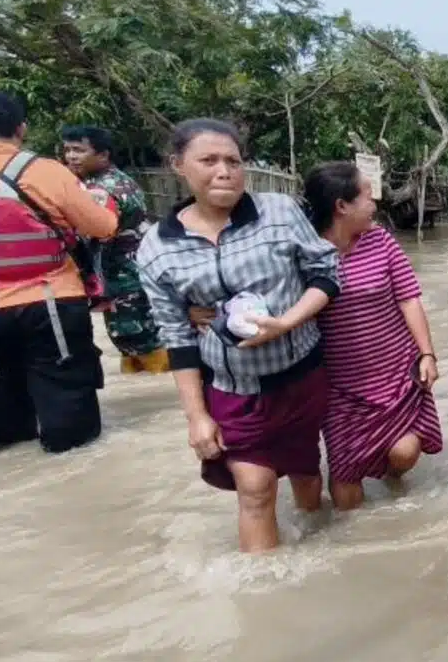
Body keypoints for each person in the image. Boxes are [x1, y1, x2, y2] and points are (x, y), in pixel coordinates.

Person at [136, 119, 341, 553]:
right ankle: (264, 598)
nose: (224, 171)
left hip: (301, 378)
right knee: (256, 487)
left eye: (233, 160)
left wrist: (287, 322)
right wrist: (196, 416)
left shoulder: (280, 213)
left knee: (306, 471)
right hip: (234, 389)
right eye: (208, 160)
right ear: (179, 166)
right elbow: (176, 336)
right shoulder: (158, 247)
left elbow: (325, 273)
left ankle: (321, 548)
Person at [0, 88, 118, 452]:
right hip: (51, 304)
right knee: (72, 433)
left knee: (3, 431)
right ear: (21, 128)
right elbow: (104, 227)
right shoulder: (47, 172)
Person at [296, 162, 443, 511]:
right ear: (341, 206)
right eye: (366, 195)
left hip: (397, 374)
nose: (375, 203)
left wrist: (427, 354)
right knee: (346, 474)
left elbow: (409, 297)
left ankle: (393, 489)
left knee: (406, 452)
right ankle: (353, 540)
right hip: (340, 387)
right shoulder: (305, 255)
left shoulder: (380, 240)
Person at [61, 125, 166, 374]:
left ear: (103, 155)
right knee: (136, 339)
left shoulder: (102, 188)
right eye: (68, 150)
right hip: (127, 270)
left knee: (138, 337)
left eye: (79, 150)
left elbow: (93, 229)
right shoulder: (108, 181)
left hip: (124, 274)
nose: (72, 156)